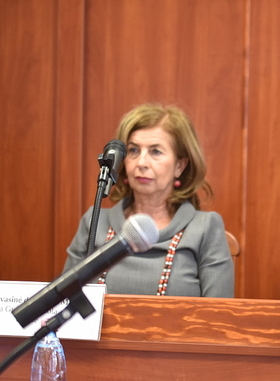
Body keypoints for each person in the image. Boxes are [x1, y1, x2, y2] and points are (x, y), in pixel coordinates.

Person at [63, 103, 234, 297]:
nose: (142, 163)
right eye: (133, 150)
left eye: (155, 152)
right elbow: (63, 299)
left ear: (180, 165)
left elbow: (219, 312)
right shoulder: (95, 222)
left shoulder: (205, 228)